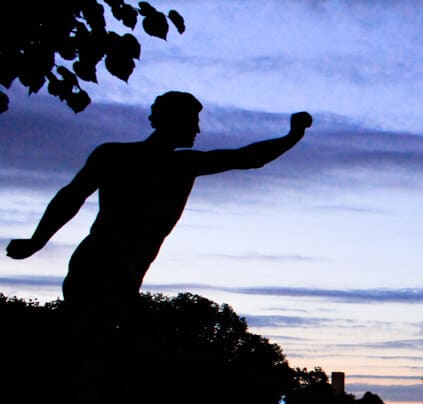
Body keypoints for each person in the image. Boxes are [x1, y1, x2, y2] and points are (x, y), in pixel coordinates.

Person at [6, 91, 312, 327]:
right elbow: (71, 197)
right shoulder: (140, 159)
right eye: (193, 122)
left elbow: (248, 157)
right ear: (173, 122)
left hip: (116, 269)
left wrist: (37, 241)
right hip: (103, 266)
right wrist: (37, 241)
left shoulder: (162, 161)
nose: (198, 130)